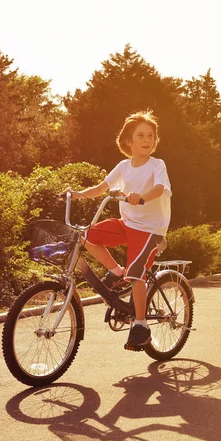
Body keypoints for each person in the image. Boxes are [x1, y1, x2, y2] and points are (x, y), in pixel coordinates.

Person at [63, 110, 172, 350]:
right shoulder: (124, 166)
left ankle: (141, 326)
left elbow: (160, 189)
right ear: (128, 141)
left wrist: (140, 197)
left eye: (151, 135)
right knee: (85, 236)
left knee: (136, 273)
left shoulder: (157, 165)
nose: (147, 140)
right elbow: (102, 187)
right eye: (141, 135)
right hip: (127, 224)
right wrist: (78, 193)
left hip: (150, 229)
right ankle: (116, 270)